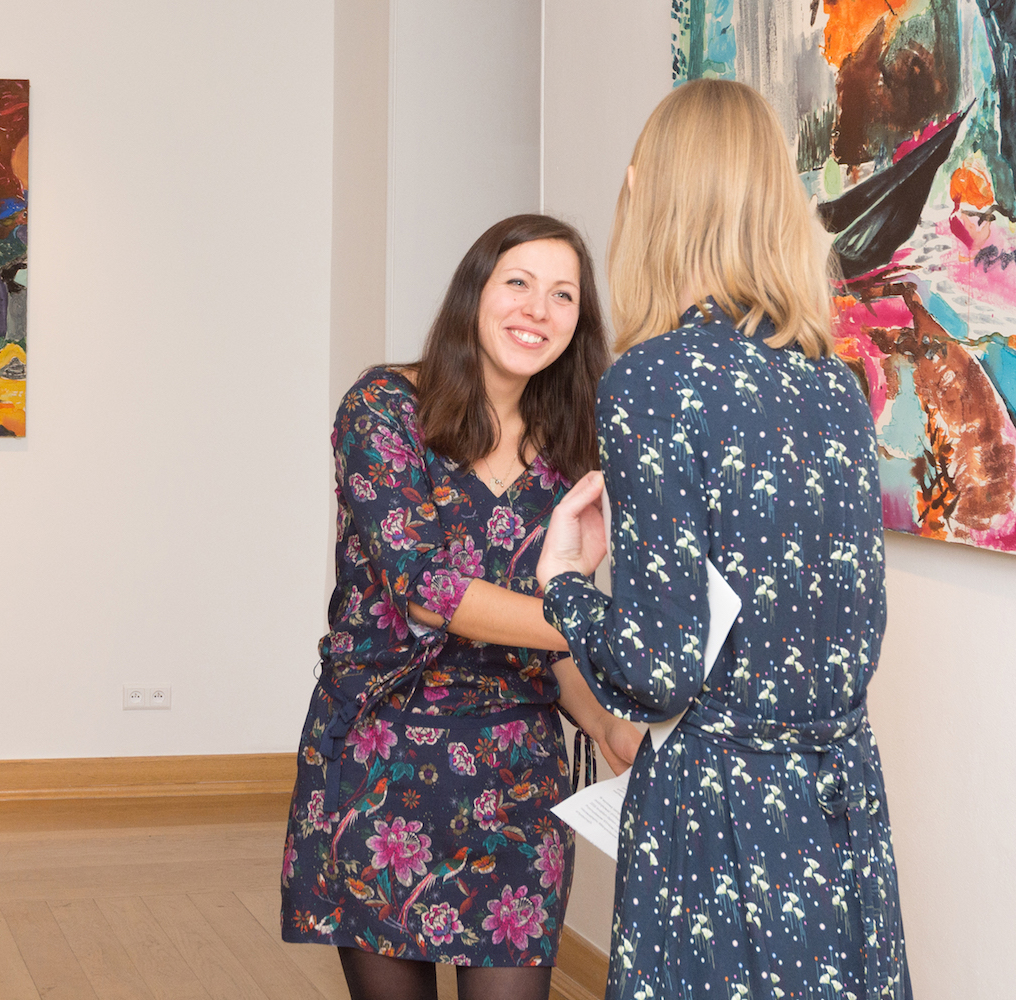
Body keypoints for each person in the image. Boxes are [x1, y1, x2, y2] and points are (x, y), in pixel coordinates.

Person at [536, 80, 913, 999]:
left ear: (645, 192)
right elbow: (854, 626)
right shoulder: (833, 384)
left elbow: (658, 669)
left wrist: (566, 585)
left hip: (722, 817)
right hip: (840, 803)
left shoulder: (651, 382)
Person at [282, 214, 643, 1000]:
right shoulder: (383, 408)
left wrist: (607, 724)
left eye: (563, 295)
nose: (537, 309)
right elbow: (425, 587)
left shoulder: (572, 450)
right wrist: (600, 626)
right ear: (475, 292)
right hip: (380, 762)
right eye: (518, 283)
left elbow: (544, 635)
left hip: (518, 778)